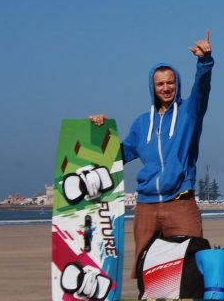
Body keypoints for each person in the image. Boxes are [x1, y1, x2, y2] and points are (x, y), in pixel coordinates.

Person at [90, 30, 213, 274]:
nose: (166, 88)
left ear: (177, 84)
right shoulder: (141, 123)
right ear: (152, 87)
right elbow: (117, 155)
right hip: (146, 206)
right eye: (160, 84)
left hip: (180, 202)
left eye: (170, 82)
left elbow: (202, 89)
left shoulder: (189, 113)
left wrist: (204, 62)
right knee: (145, 270)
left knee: (189, 269)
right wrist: (99, 130)